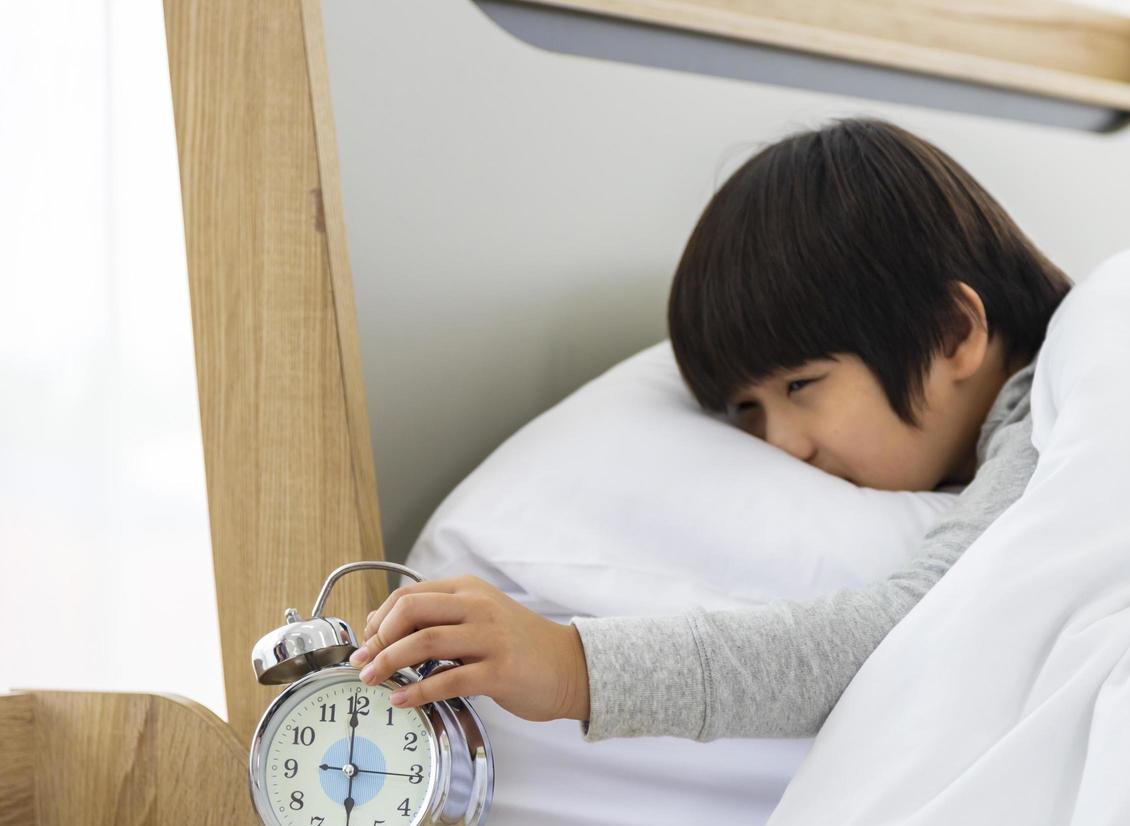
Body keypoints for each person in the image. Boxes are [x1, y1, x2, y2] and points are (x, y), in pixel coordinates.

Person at [347, 116, 1073, 741]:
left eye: (801, 385)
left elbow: (912, 628)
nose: (782, 445)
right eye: (747, 410)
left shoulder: (1056, 413)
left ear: (953, 333)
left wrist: (572, 668)